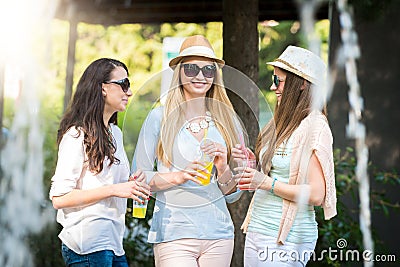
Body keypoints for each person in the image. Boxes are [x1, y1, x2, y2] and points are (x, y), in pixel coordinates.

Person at [132, 35, 243, 267]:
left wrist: (222, 167)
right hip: (174, 234)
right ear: (179, 72)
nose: (201, 76)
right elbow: (137, 179)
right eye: (192, 69)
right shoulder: (158, 118)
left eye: (208, 70)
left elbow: (234, 194)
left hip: (218, 234)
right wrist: (178, 176)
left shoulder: (227, 120)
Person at [232, 46, 337, 266]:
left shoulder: (316, 126)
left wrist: (267, 183)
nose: (272, 87)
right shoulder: (281, 123)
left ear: (301, 84)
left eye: (278, 81)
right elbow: (274, 170)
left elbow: (317, 194)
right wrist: (251, 161)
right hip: (256, 230)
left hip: (288, 239)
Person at [49, 58, 151, 267]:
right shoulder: (77, 135)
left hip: (113, 243)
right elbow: (59, 197)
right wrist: (114, 189)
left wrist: (133, 183)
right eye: (124, 84)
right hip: (87, 245)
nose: (129, 92)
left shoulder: (115, 133)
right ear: (103, 88)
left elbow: (114, 184)